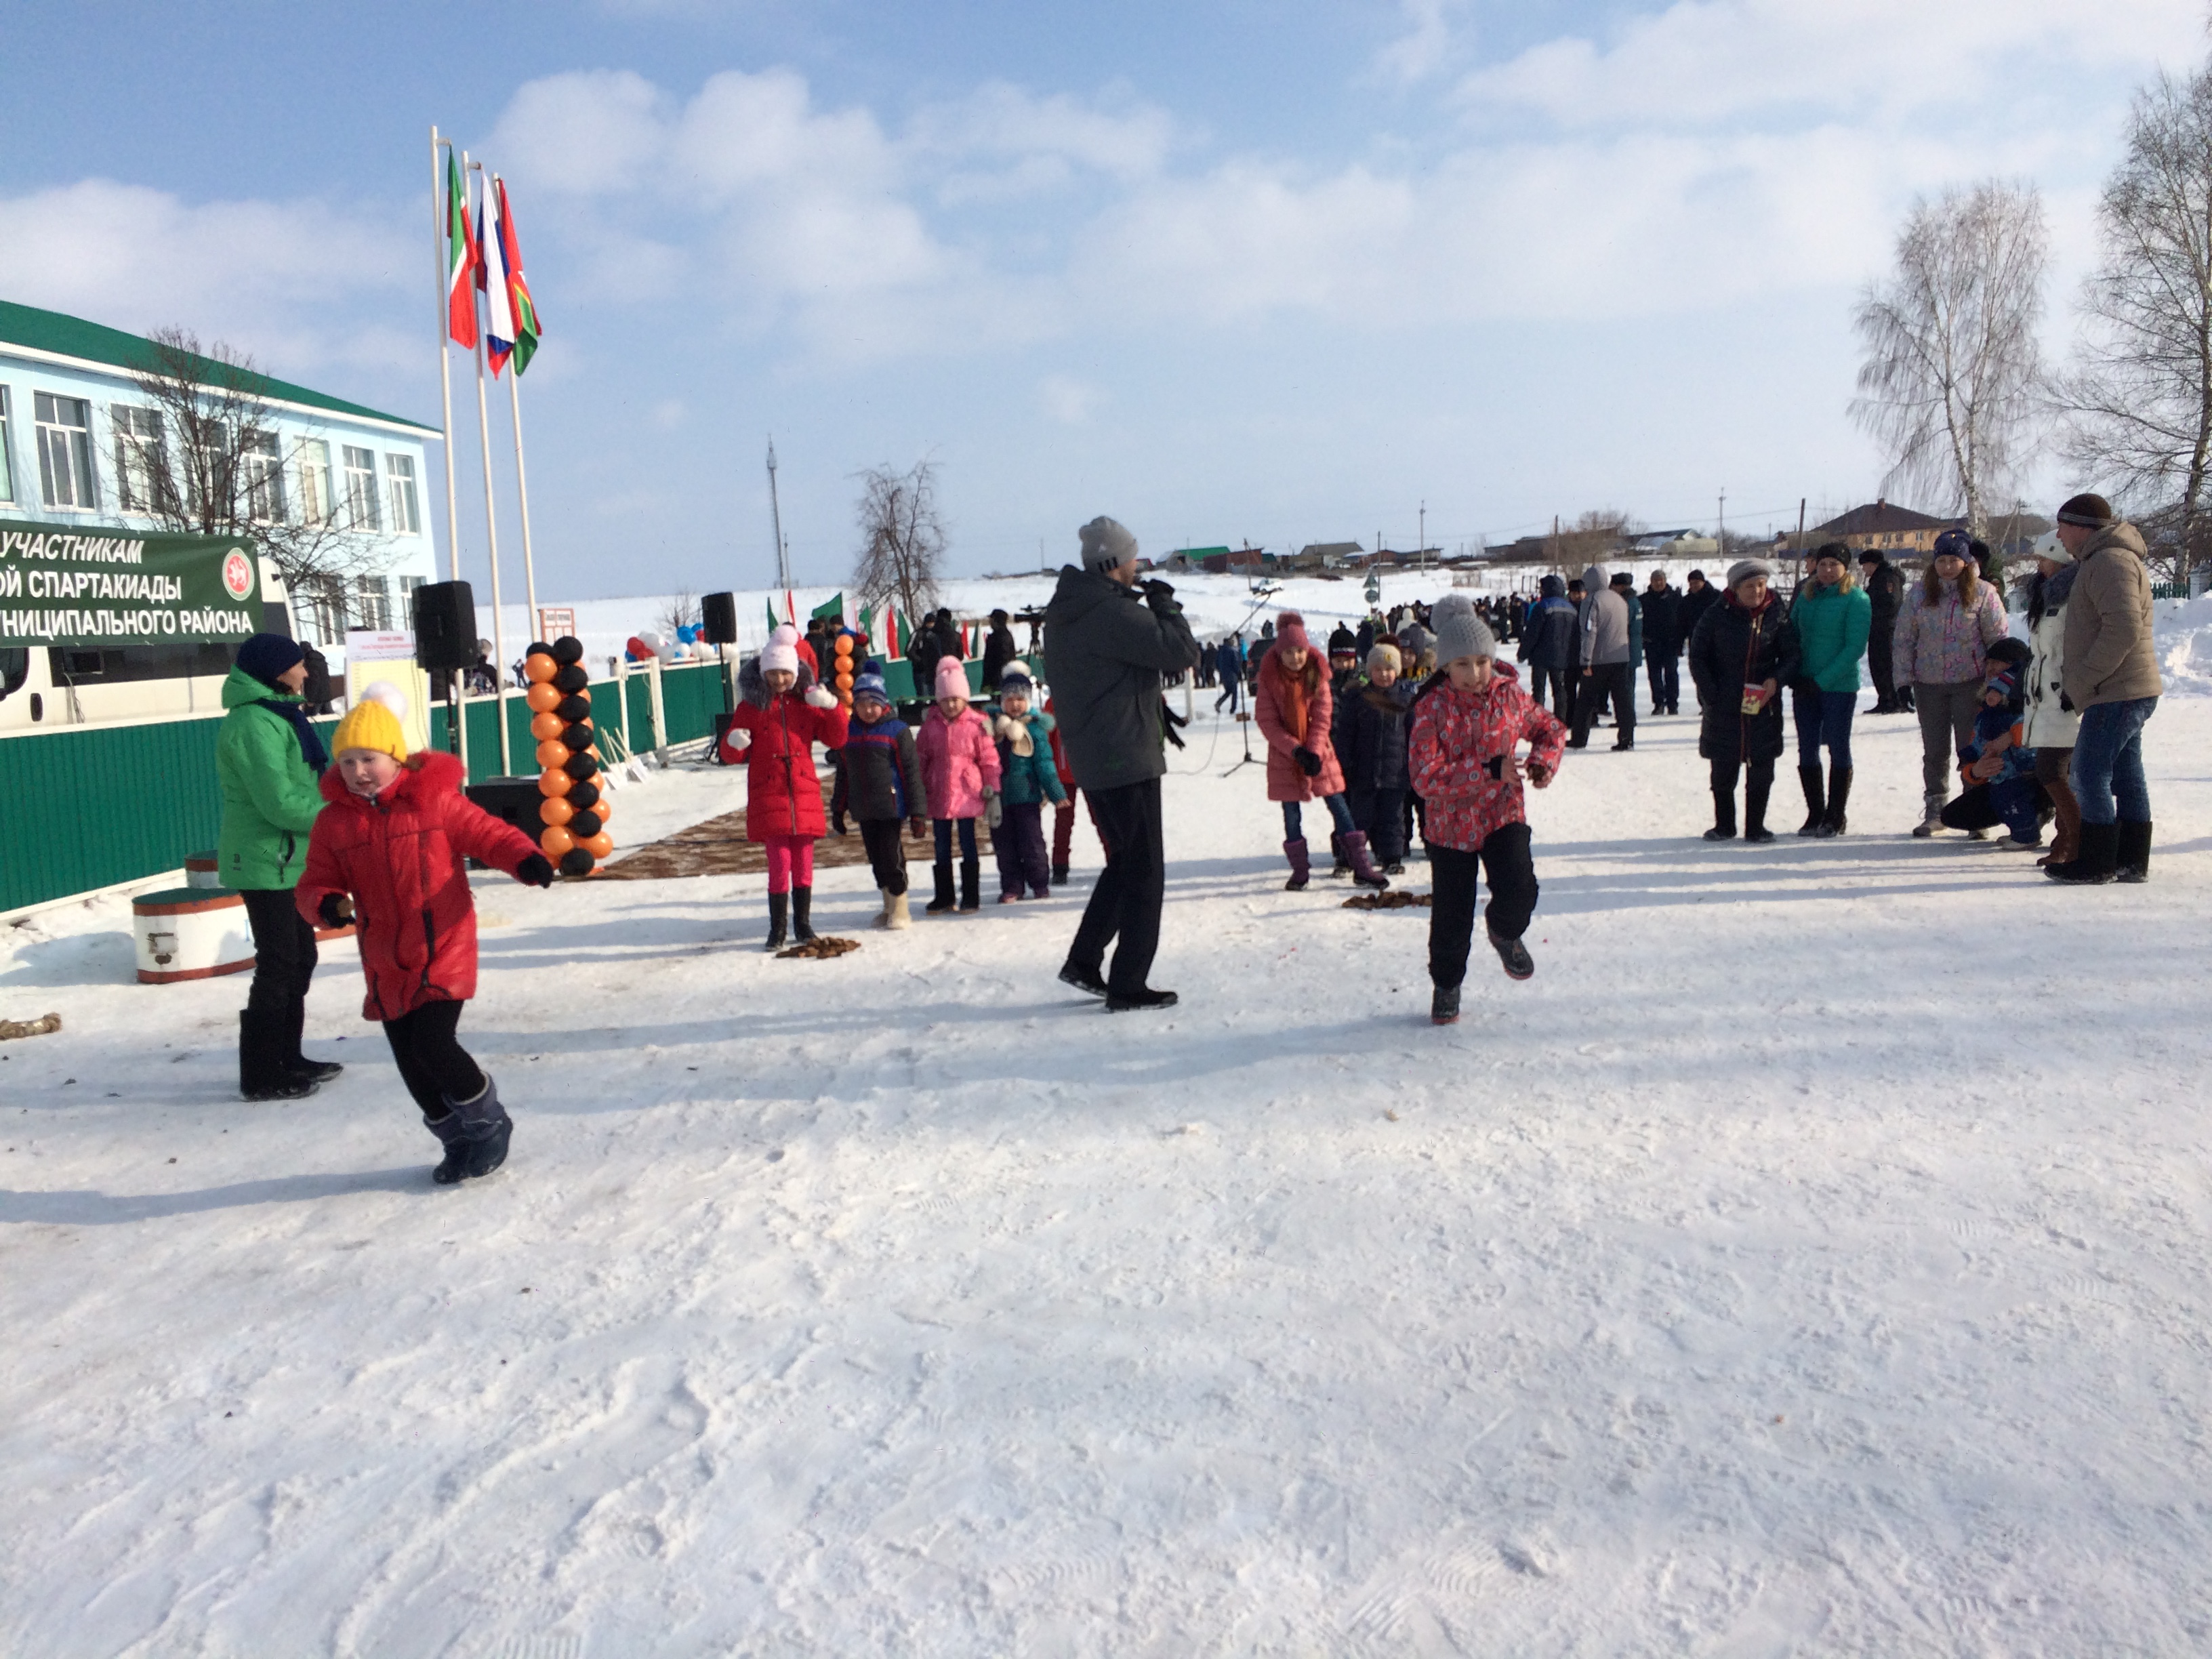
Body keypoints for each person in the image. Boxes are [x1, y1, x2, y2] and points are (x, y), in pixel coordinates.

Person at [295, 697, 554, 1185]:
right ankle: (456, 1139)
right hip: (384, 959)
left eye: (369, 759)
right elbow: (313, 883)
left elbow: (488, 834)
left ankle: (488, 1121)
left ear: (396, 758)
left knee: (434, 1044)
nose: (359, 772)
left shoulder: (433, 800)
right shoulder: (335, 822)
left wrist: (525, 858)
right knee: (410, 1062)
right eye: (347, 763)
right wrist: (326, 904)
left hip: (443, 944)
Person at [1042, 515, 1199, 1010]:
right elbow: (1179, 652)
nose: (1138, 564)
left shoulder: (1074, 607)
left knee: (1126, 864)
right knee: (1145, 871)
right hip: (1124, 755)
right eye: (1133, 557)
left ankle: (1085, 959)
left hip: (1098, 754)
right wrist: (1166, 608)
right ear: (1115, 563)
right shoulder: (1106, 612)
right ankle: (1128, 982)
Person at [1408, 596, 1565, 1025]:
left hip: (1502, 814)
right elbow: (1425, 777)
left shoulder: (1509, 696)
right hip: (1449, 828)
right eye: (1463, 664)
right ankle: (1447, 984)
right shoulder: (1431, 708)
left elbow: (1551, 729)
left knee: (1521, 889)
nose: (1475, 673)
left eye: (1482, 661)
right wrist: (1487, 769)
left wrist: (1541, 762)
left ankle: (1503, 930)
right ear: (1444, 666)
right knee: (1452, 919)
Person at [216, 633, 341, 1102]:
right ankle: (262, 1073)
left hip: (290, 860)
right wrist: (338, 812)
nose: (306, 672)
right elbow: (281, 804)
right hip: (265, 859)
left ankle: (289, 1056)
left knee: (300, 959)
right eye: (298, 664)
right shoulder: (253, 723)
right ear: (275, 671)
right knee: (279, 964)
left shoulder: (281, 716)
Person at [2045, 493, 2163, 884]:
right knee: (2126, 773)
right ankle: (2130, 860)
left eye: (2062, 526)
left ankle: (2098, 861)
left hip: (2118, 688)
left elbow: (2123, 628)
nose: (2058, 536)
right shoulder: (2104, 560)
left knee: (2088, 771)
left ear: (2080, 527)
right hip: (2121, 686)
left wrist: (2083, 679)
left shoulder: (2110, 561)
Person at [718, 624, 851, 947]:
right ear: (763, 673)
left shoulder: (807, 704)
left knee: (804, 865)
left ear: (795, 673)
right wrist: (733, 743)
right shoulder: (750, 708)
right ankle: (777, 929)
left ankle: (803, 925)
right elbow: (731, 755)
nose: (780, 680)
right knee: (779, 866)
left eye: (785, 674)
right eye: (773, 674)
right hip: (769, 794)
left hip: (803, 792)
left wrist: (832, 707)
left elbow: (837, 739)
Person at [1255, 611, 1388, 892]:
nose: (1296, 657)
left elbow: (1323, 714)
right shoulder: (1269, 678)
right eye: (1289, 652)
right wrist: (1296, 751)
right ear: (1280, 653)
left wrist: (1313, 751)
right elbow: (1267, 722)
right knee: (1291, 814)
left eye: (1300, 651)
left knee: (1339, 806)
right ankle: (1300, 871)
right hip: (1285, 756)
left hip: (1320, 752)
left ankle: (1361, 867)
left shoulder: (1317, 673)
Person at [1896, 527, 2010, 836]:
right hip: (1928, 684)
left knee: (1970, 747)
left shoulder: (1984, 593)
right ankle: (1935, 809)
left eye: (1954, 560)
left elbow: (1998, 641)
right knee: (1935, 750)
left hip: (1970, 685)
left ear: (1966, 562)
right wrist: (1903, 680)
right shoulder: (1919, 594)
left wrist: (1998, 683)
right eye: (1942, 560)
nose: (1947, 567)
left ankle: (1975, 810)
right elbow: (1905, 639)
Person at [1688, 558, 1799, 842]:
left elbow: (1792, 655)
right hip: (1724, 702)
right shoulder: (1716, 614)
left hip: (1763, 703)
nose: (1758, 591)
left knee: (1762, 766)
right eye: (1750, 586)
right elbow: (1698, 656)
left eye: (1761, 584)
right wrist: (1710, 694)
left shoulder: (1778, 612)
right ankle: (1724, 825)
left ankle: (1756, 828)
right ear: (1736, 588)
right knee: (1723, 767)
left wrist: (1776, 680)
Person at [830, 665, 930, 929]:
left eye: (873, 703)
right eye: (862, 703)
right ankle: (887, 904)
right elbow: (844, 774)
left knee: (891, 855)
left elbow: (911, 773)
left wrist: (918, 813)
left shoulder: (897, 731)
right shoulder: (849, 732)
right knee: (875, 858)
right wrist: (837, 810)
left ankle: (900, 906)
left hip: (891, 807)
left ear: (883, 704)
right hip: (863, 808)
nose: (868, 709)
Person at [1787, 542, 1872, 837]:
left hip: (1838, 686)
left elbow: (1854, 648)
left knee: (1838, 746)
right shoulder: (1806, 596)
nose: (1826, 570)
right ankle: (1815, 812)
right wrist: (1792, 672)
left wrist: (1821, 681)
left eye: (1833, 565)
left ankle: (1836, 815)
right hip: (1803, 683)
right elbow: (1792, 635)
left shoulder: (1857, 600)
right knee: (1807, 748)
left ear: (1845, 568)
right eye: (1822, 564)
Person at [1938, 640, 2043, 847]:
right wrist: (1976, 771)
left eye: (1999, 663)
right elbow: (1974, 749)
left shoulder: (2033, 698)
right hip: (2004, 777)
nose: (1991, 669)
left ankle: (2033, 824)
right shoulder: (1986, 710)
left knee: (2024, 791)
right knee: (1954, 815)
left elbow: (2038, 729)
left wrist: (2011, 737)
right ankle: (2024, 823)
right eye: (1989, 663)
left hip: (2039, 775)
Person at [917, 657, 1000, 915]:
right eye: (946, 700)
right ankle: (944, 895)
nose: (951, 704)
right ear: (938, 701)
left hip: (968, 794)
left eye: (956, 699)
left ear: (965, 698)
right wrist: (918, 790)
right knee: (941, 845)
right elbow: (920, 759)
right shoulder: (930, 727)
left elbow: (988, 759)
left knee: (968, 843)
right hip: (940, 793)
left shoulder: (977, 726)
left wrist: (992, 789)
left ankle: (971, 895)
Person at [2022, 532, 2083, 869]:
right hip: (2044, 695)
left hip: (2065, 697)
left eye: (2044, 558)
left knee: (2052, 770)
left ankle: (2076, 841)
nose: (2038, 565)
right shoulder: (2044, 596)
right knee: (2056, 770)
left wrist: (2071, 688)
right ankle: (2065, 841)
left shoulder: (2074, 595)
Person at [1334, 642, 1414, 876]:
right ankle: (1347, 858)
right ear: (1370, 672)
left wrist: (1412, 767)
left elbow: (1414, 738)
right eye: (1378, 669)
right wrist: (1345, 764)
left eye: (1389, 669)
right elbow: (1346, 735)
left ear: (1397, 671)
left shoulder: (1406, 701)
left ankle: (1391, 857)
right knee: (1358, 818)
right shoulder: (1359, 699)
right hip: (1363, 772)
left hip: (1395, 773)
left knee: (1392, 818)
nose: (1384, 674)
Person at [989, 662, 1065, 901]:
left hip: (1027, 796)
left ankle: (1039, 882)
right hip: (1000, 798)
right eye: (1010, 699)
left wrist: (1056, 793)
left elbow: (1045, 763)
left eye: (1020, 699)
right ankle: (1012, 886)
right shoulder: (993, 729)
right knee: (1005, 846)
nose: (1015, 704)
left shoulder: (1035, 730)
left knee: (1032, 843)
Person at [1570, 564, 1634, 750]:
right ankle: (1627, 738)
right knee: (1623, 700)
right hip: (1621, 657)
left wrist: (1585, 660)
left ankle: (1579, 738)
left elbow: (1590, 631)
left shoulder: (1592, 600)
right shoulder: (1620, 600)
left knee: (1586, 701)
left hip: (1598, 659)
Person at [1516, 575, 1578, 718]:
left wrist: (1523, 653)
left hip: (1541, 657)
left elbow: (1532, 634)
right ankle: (1561, 720)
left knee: (1539, 690)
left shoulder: (1542, 607)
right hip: (1563, 657)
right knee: (1560, 690)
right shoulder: (1571, 609)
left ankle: (1539, 719)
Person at [1858, 548, 1908, 712]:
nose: (1864, 570)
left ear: (1872, 564)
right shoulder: (1879, 578)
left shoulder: (1887, 578)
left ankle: (1893, 701)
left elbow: (1891, 603)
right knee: (1877, 664)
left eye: (1865, 566)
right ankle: (1885, 699)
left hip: (1886, 629)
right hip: (1878, 629)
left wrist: (1872, 613)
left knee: (1885, 665)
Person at [1641, 571, 1683, 716]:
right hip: (1652, 643)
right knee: (1654, 675)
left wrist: (1680, 640)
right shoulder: (1644, 599)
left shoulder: (1675, 598)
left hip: (1670, 643)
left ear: (1665, 581)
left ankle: (1673, 704)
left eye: (1661, 580)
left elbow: (1682, 620)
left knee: (1671, 673)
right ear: (1651, 582)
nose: (1659, 583)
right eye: (1656, 580)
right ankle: (1659, 703)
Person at [1676, 570, 1719, 704]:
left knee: (1717, 673)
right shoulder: (1687, 601)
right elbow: (1681, 625)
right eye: (1692, 583)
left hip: (1717, 641)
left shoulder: (1716, 597)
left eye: (1697, 583)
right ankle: (1704, 703)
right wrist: (1679, 644)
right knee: (1700, 673)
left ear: (1703, 582)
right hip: (1696, 642)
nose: (1694, 586)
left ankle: (1718, 701)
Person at [981, 608, 1020, 692]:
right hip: (1005, 680)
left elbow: (998, 661)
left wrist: (990, 683)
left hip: (998, 683)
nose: (990, 622)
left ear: (996, 621)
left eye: (992, 619)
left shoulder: (998, 637)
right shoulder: (1007, 635)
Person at [1214, 634, 1244, 714]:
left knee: (1228, 691)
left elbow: (1217, 664)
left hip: (1223, 675)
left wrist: (1221, 671)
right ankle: (1233, 709)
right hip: (1232, 675)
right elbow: (1235, 663)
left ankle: (1219, 703)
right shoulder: (1231, 651)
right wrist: (1239, 673)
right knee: (1234, 692)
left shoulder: (1220, 652)